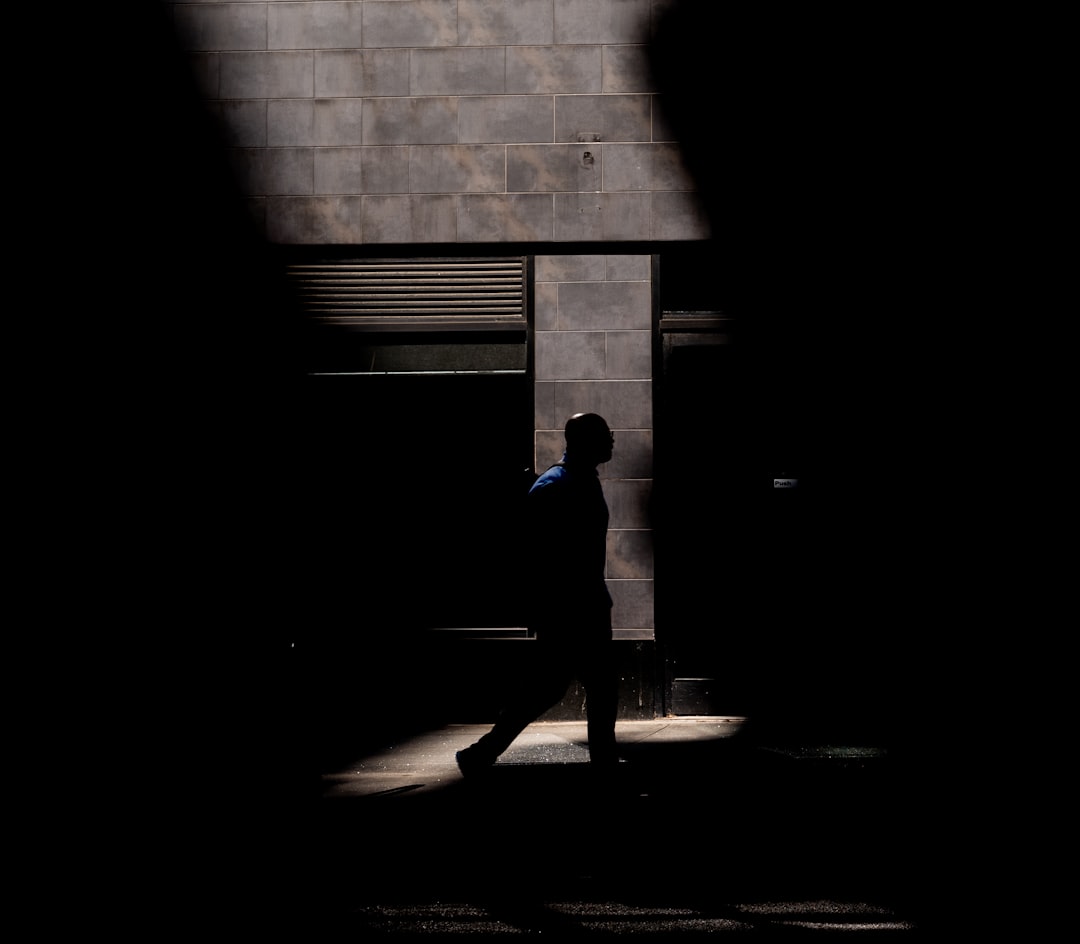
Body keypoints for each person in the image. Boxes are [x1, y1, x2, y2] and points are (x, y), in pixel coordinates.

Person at [456, 412, 619, 775]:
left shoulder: (580, 481)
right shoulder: (554, 487)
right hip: (568, 608)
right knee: (570, 688)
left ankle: (482, 753)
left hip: (583, 604)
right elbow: (530, 556)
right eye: (606, 434)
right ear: (584, 440)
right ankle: (482, 753)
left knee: (559, 689)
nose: (612, 441)